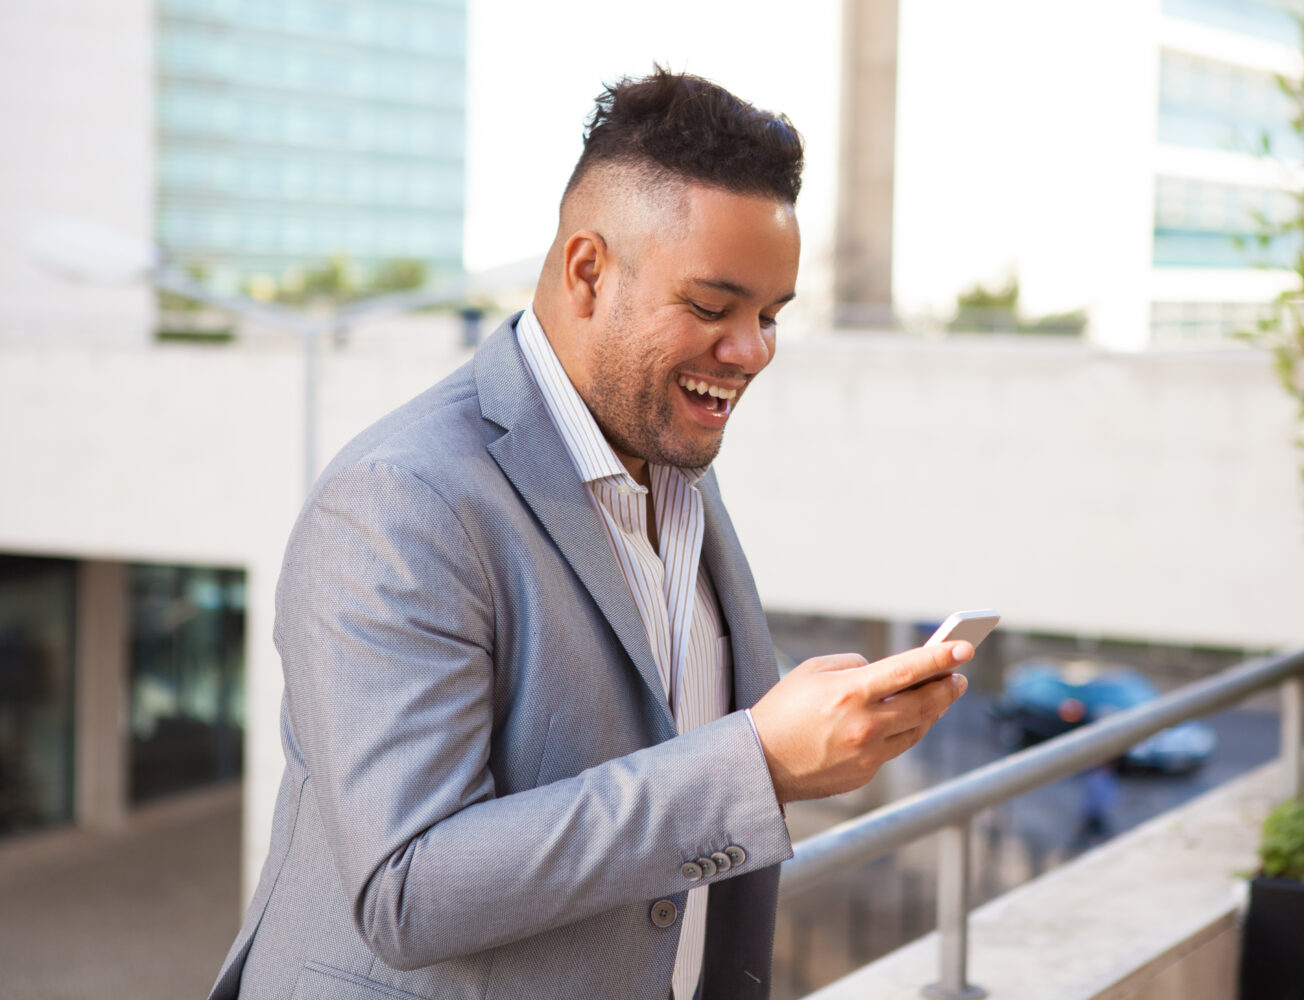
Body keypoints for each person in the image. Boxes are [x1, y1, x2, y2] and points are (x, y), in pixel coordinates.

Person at [208, 67, 970, 1000]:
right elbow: (406, 888)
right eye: (711, 306)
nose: (753, 350)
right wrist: (759, 762)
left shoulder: (676, 465)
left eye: (770, 317)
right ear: (586, 271)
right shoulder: (397, 500)